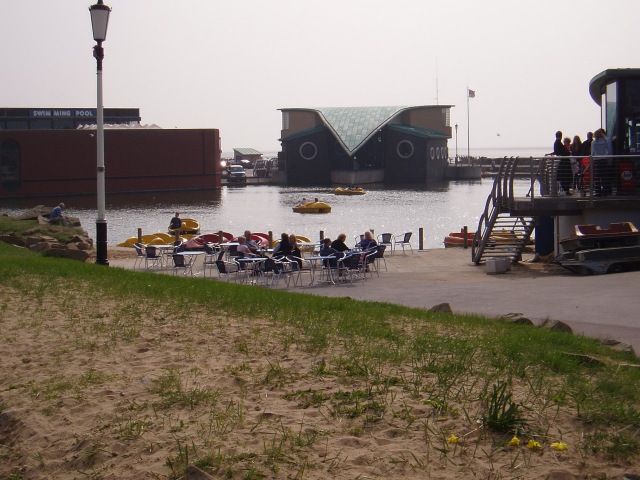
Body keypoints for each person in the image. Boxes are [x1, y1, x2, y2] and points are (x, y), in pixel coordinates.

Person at [591, 128, 612, 196]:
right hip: (604, 160)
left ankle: (598, 192)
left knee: (597, 177)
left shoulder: (593, 142)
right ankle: (605, 191)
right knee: (604, 176)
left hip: (597, 160)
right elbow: (609, 151)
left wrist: (592, 159)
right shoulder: (605, 141)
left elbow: (593, 152)